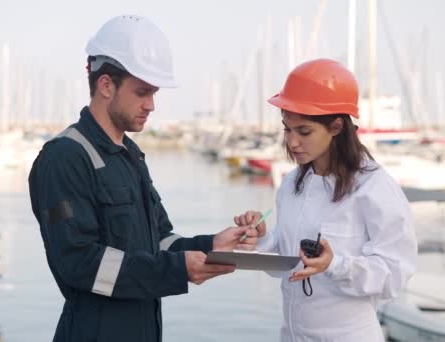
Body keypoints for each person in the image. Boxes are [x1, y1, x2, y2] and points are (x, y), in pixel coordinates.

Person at [28, 15, 262, 342]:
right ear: (106, 85)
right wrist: (177, 271)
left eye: (154, 93)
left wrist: (212, 245)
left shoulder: (130, 155)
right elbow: (77, 261)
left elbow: (159, 242)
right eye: (142, 92)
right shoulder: (63, 159)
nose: (151, 105)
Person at [234, 59, 417, 342]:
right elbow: (287, 261)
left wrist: (335, 265)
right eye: (287, 129)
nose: (292, 142)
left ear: (336, 127)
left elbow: (395, 275)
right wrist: (259, 240)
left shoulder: (374, 187)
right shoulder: (290, 184)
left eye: (303, 131)